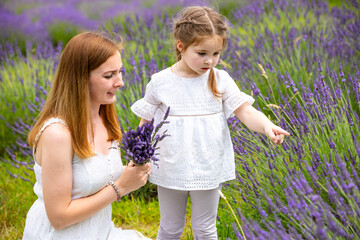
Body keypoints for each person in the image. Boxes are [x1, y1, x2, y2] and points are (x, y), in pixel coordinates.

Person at [131, 6, 290, 240]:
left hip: (208, 165)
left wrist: (267, 126)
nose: (210, 61)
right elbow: (145, 122)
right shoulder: (161, 82)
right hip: (171, 164)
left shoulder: (220, 79)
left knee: (205, 228)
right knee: (170, 227)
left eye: (216, 54)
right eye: (202, 53)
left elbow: (245, 112)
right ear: (181, 46)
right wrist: (138, 152)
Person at [23, 32, 152, 240]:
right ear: (80, 78)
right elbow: (59, 217)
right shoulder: (58, 134)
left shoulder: (105, 118)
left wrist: (137, 163)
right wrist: (120, 188)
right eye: (109, 75)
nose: (120, 83)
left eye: (120, 72)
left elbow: (103, 177)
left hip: (100, 232)